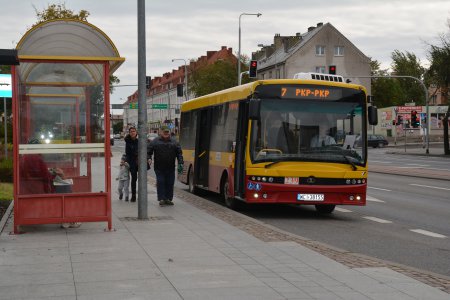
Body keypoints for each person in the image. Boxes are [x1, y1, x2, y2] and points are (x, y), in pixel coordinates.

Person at [147, 126, 184, 206]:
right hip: (159, 167)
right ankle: (162, 199)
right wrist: (149, 158)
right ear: (161, 132)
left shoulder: (174, 142)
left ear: (169, 132)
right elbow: (148, 151)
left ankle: (168, 199)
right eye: (164, 132)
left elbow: (179, 153)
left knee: (170, 183)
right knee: (161, 182)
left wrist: (181, 162)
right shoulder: (155, 141)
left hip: (170, 167)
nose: (166, 133)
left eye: (167, 132)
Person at [125, 126, 138, 202]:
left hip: (140, 162)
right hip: (132, 162)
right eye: (131, 131)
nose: (132, 132)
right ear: (129, 133)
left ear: (136, 132)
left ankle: (142, 194)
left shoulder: (139, 140)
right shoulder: (128, 141)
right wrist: (127, 162)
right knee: (134, 179)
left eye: (134, 131)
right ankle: (133, 195)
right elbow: (127, 153)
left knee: (142, 179)